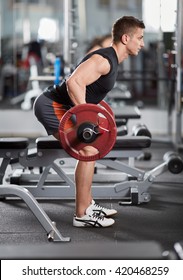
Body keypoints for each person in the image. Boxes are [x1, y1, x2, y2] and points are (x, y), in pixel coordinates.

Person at [33, 15, 145, 227]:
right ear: (125, 38)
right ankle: (82, 214)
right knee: (87, 150)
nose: (142, 43)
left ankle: (88, 204)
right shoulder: (104, 60)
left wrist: (90, 112)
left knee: (90, 149)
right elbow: (74, 82)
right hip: (51, 106)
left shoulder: (112, 59)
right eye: (139, 38)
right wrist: (84, 115)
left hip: (61, 105)